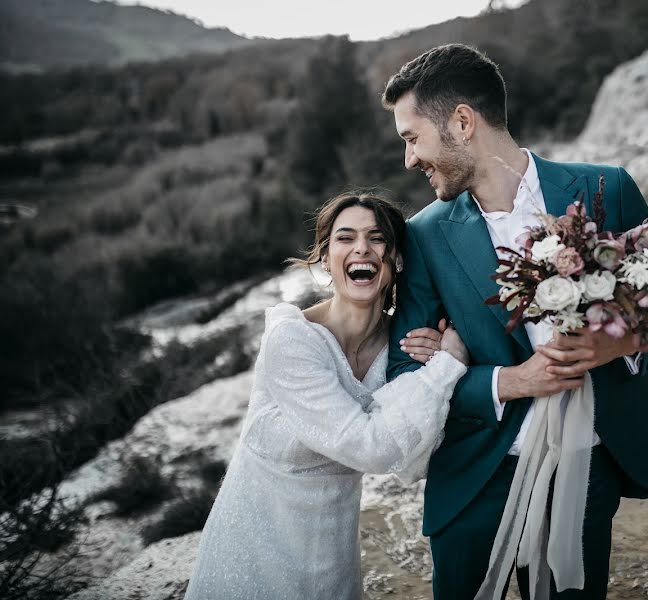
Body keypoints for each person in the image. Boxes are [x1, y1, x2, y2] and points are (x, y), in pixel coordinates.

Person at [382, 44, 648, 599]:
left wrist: (613, 346)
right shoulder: (424, 234)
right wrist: (510, 381)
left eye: (412, 138)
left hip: (586, 464)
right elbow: (405, 367)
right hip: (476, 473)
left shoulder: (607, 189)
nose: (409, 159)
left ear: (462, 121)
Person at [184, 192, 469, 600]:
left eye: (377, 238)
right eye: (345, 238)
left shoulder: (401, 348)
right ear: (323, 256)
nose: (361, 248)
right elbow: (372, 446)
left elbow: (411, 460)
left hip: (332, 557)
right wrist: (446, 368)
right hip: (253, 547)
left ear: (396, 259)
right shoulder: (293, 341)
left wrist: (438, 356)